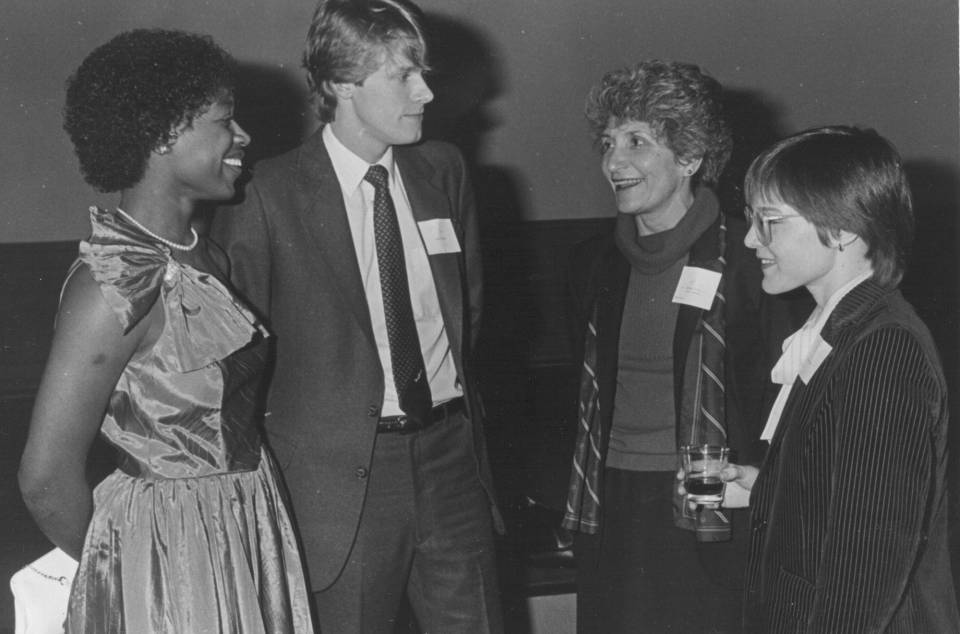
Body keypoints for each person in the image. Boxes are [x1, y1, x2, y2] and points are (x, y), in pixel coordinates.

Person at [210, 1, 503, 632]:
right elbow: (238, 365)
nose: (425, 91)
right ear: (341, 83)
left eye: (423, 71)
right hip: (340, 485)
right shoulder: (267, 193)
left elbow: (467, 311)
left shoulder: (442, 171)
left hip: (453, 462)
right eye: (403, 75)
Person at [18, 29, 313, 632]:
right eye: (225, 122)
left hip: (245, 521)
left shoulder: (206, 256)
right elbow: (45, 478)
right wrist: (126, 574)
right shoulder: (110, 287)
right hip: (169, 552)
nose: (243, 137)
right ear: (161, 135)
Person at [561, 60, 799, 633]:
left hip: (710, 512)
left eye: (637, 142)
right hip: (611, 504)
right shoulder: (592, 265)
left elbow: (787, 405)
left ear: (690, 157)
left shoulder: (751, 262)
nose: (614, 162)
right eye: (608, 142)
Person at [721, 126, 960, 632]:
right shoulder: (843, 329)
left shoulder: (882, 348)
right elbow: (847, 492)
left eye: (770, 221)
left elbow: (866, 563)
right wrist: (767, 486)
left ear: (845, 229)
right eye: (751, 219)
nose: (749, 239)